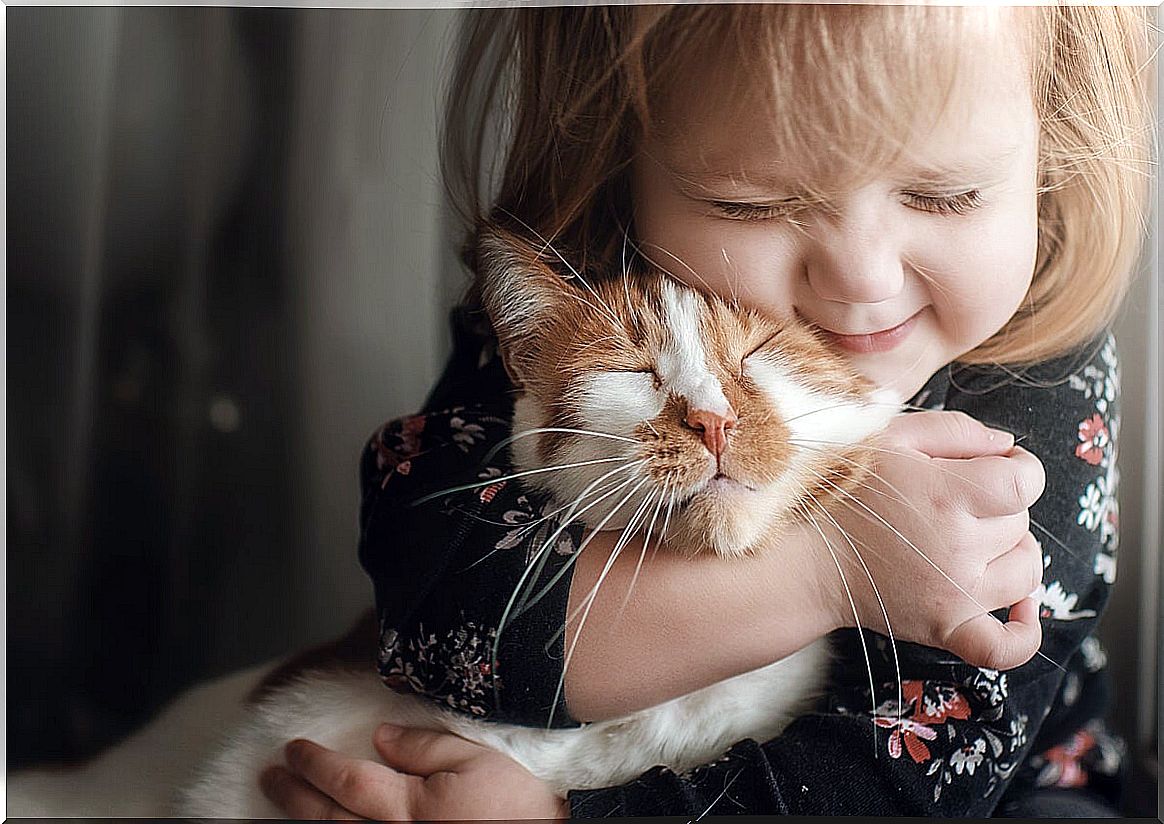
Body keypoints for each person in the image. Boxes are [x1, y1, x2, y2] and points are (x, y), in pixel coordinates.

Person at [258, 4, 1152, 818]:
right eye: (751, 203)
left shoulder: (1037, 378)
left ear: (1051, 158)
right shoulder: (588, 302)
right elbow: (440, 618)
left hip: (1015, 794)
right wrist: (824, 565)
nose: (862, 282)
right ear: (623, 155)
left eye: (943, 195)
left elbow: (922, 771)